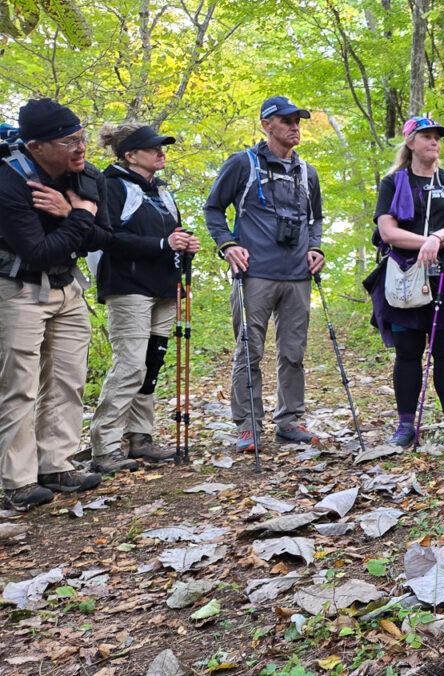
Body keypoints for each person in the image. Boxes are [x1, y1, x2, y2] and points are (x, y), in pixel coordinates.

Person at [0, 99, 109, 511]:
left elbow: (105, 238)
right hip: (18, 290)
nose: (80, 148)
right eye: (69, 141)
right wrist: (79, 217)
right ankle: (17, 480)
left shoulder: (86, 176)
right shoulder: (10, 183)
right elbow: (39, 251)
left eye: (81, 137)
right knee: (19, 386)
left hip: (68, 289)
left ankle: (56, 465)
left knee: (67, 378)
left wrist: (70, 213)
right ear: (36, 146)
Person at [204, 96, 324, 452]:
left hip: (298, 277)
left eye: (297, 120)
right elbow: (213, 208)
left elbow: (315, 220)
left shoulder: (307, 173)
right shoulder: (243, 164)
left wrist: (316, 249)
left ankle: (289, 422)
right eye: (286, 120)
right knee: (248, 350)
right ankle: (247, 426)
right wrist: (227, 245)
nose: (294, 126)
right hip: (254, 273)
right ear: (266, 124)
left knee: (293, 352)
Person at [367, 115, 444, 447]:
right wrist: (430, 242)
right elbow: (388, 232)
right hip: (404, 276)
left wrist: (436, 238)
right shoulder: (393, 183)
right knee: (408, 352)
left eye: (437, 136)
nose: (434, 141)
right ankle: (405, 426)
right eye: (426, 136)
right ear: (410, 143)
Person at [88, 123, 201, 472]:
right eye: (153, 148)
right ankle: (104, 446)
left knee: (151, 364)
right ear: (130, 155)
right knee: (131, 366)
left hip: (164, 287)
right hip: (128, 286)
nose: (161, 152)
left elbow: (172, 235)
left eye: (162, 147)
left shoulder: (162, 192)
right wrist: (163, 244)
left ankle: (140, 438)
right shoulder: (110, 186)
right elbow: (106, 238)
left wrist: (186, 245)